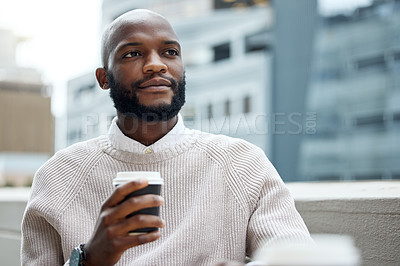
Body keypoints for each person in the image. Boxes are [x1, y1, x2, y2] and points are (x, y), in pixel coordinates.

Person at [21, 9, 312, 266]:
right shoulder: (58, 176)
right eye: (133, 53)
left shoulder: (243, 164)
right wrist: (90, 260)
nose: (156, 65)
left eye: (170, 52)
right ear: (103, 78)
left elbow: (297, 258)